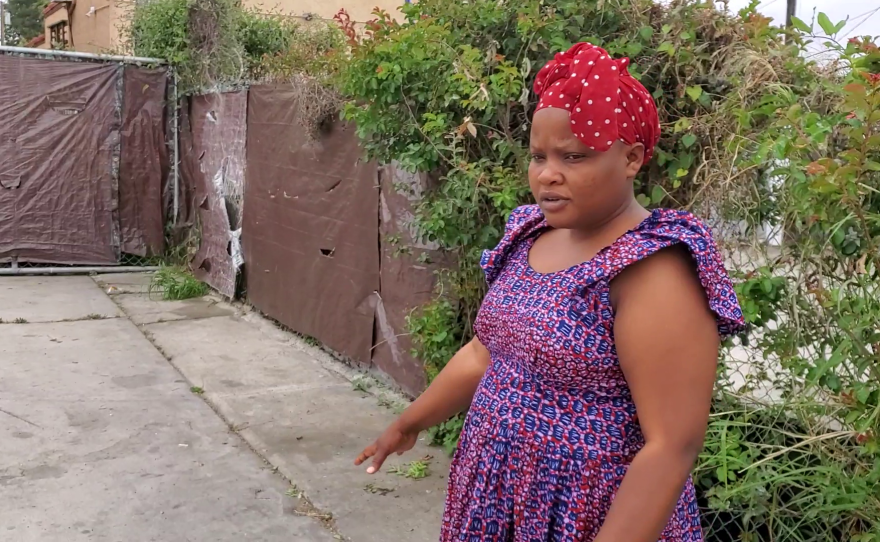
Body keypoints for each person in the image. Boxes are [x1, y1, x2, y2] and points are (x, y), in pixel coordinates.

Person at [355, 42, 745, 542]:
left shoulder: (653, 269)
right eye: (539, 156)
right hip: (497, 495)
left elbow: (671, 446)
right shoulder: (531, 234)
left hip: (588, 513)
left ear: (631, 158)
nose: (546, 173)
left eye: (573, 156)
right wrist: (408, 423)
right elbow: (484, 354)